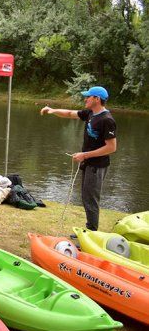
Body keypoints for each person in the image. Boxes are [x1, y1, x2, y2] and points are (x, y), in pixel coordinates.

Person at [41, 86, 117, 231]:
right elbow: (70, 113)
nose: (85, 99)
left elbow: (111, 147)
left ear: (97, 99)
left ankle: (91, 233)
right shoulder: (90, 113)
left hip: (97, 166)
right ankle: (89, 230)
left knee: (90, 199)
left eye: (88, 96)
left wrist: (85, 155)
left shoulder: (107, 120)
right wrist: (52, 110)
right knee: (86, 197)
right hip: (88, 163)